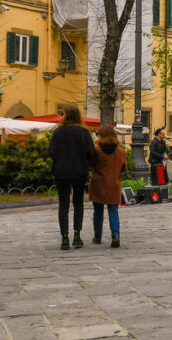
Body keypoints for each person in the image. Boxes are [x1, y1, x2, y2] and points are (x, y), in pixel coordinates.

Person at [49, 105, 95, 251]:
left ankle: (64, 238)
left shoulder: (58, 133)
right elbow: (91, 153)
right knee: (78, 203)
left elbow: (51, 152)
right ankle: (77, 235)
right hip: (79, 171)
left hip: (61, 171)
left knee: (63, 205)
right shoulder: (83, 132)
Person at [89, 125, 126, 248]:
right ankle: (115, 235)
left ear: (101, 135)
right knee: (113, 211)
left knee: (98, 211)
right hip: (114, 184)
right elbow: (123, 168)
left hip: (99, 183)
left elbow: (91, 164)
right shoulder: (120, 151)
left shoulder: (96, 149)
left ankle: (97, 237)